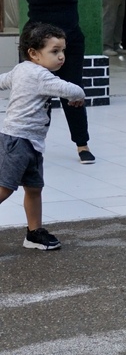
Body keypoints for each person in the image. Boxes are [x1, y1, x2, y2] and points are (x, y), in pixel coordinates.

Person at [18, 0, 104, 164]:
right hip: (37, 43)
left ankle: (82, 144)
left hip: (69, 40)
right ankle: (31, 145)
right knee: (36, 94)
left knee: (73, 91)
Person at [0, 23, 87, 250]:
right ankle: (34, 232)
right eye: (54, 51)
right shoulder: (41, 76)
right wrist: (77, 97)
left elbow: (3, 80)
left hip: (31, 142)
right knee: (4, 188)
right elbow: (74, 90)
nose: (61, 56)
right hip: (18, 142)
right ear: (34, 53)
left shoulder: (21, 69)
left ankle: (34, 233)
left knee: (33, 188)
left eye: (63, 50)